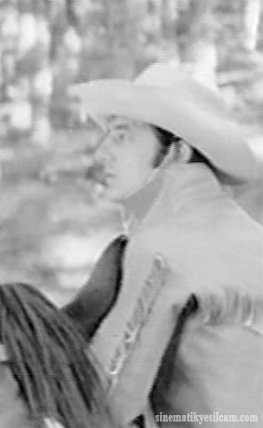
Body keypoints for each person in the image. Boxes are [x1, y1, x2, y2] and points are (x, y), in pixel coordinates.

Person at [64, 63, 263, 427]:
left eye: (122, 136)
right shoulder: (253, 237)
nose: (102, 153)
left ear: (177, 153)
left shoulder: (161, 245)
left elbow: (108, 400)